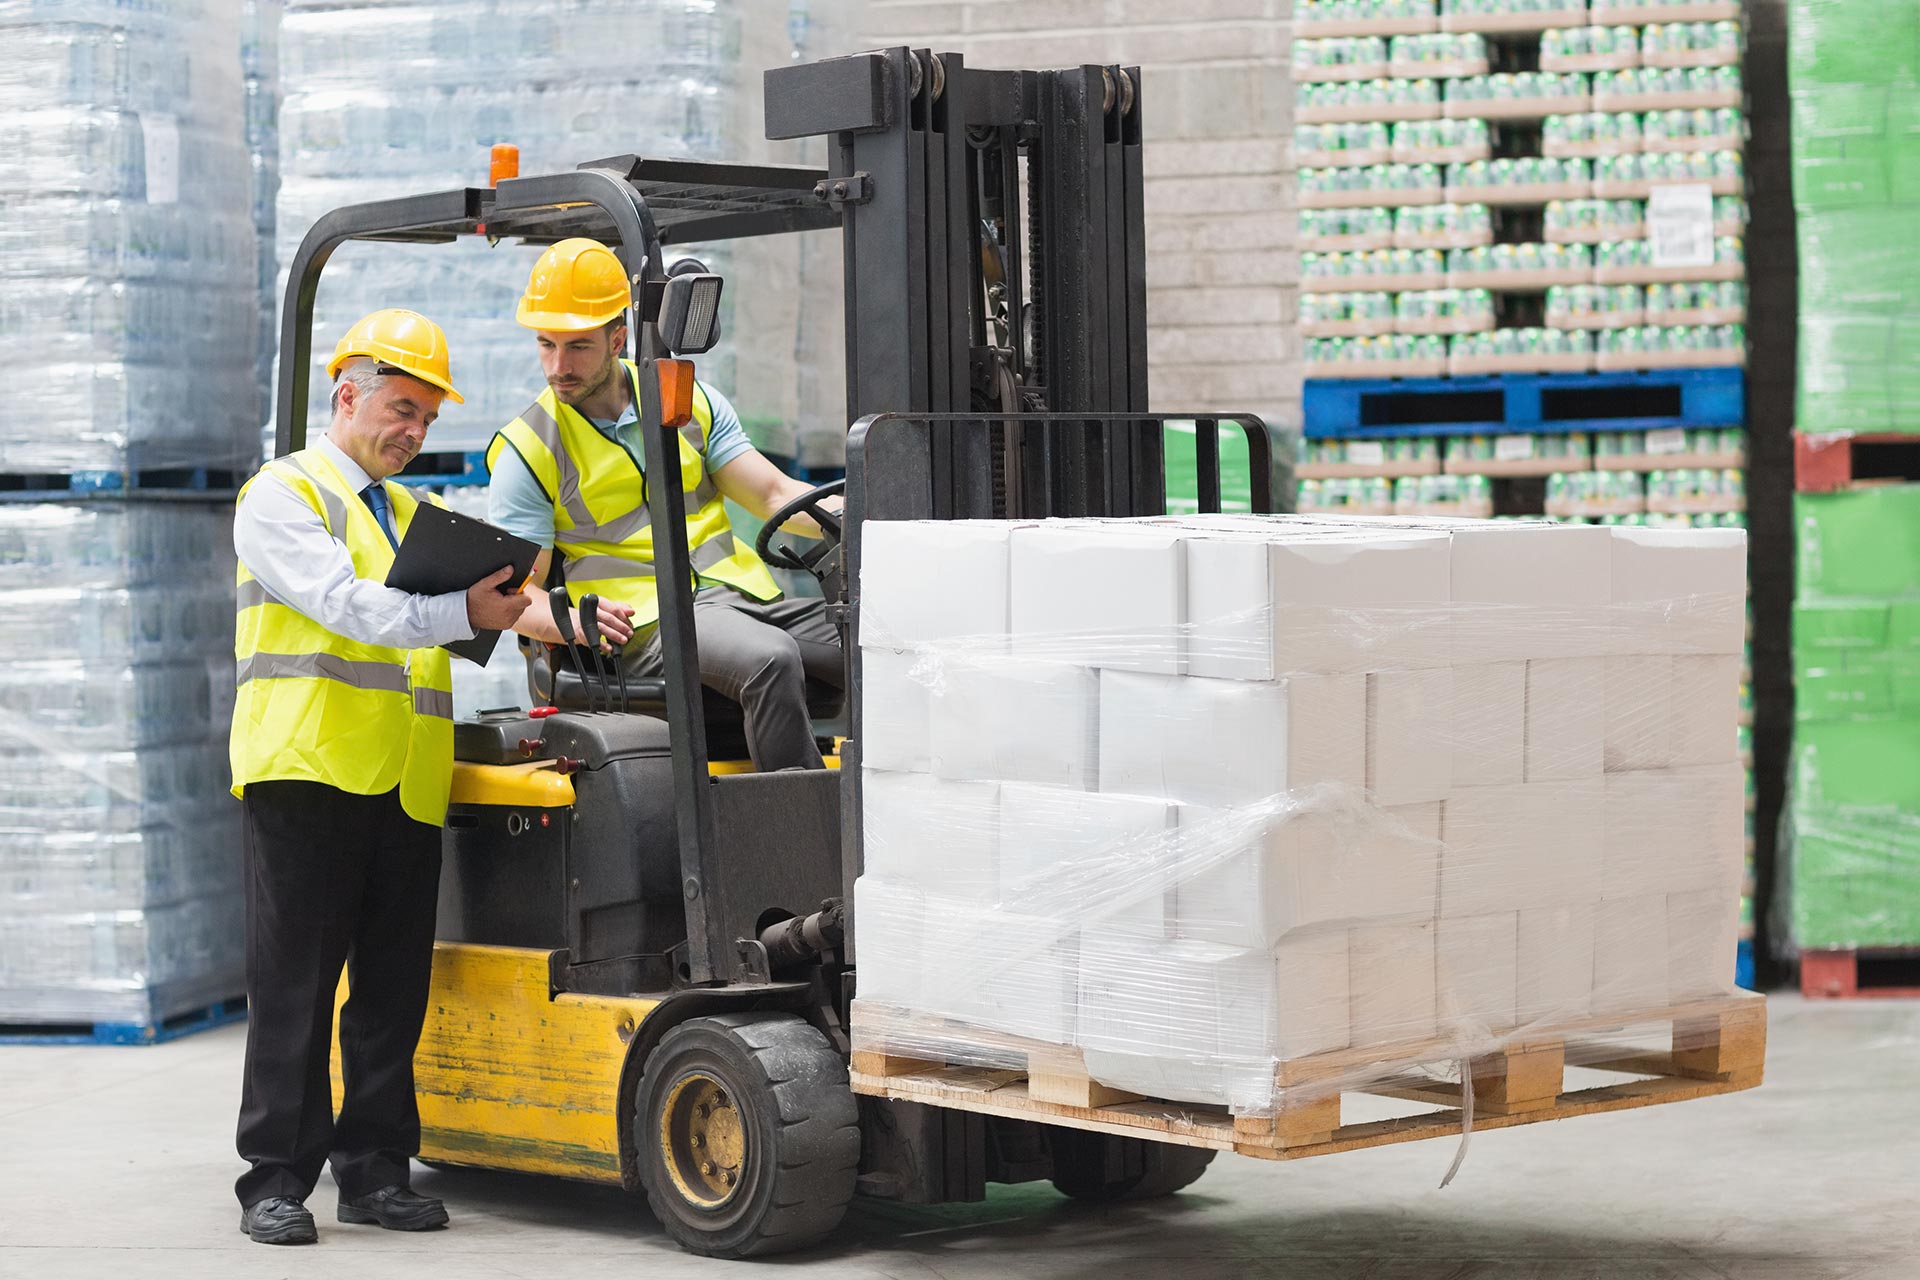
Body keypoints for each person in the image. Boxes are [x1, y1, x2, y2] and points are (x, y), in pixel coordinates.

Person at [228, 309, 530, 1245]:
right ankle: (275, 1179)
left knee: (394, 988)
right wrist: (459, 610)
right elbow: (344, 606)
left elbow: (471, 615)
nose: (415, 432)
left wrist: (553, 616)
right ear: (345, 395)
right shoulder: (283, 496)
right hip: (307, 772)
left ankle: (375, 1173)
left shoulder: (409, 515)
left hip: (402, 777)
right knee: (298, 987)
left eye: (428, 419)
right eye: (402, 409)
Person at [486, 237, 844, 771]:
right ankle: (800, 844)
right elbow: (515, 592)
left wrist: (866, 517)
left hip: (740, 598)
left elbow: (772, 494)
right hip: (646, 622)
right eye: (545, 345)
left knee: (877, 638)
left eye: (578, 346)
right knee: (768, 660)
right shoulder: (530, 447)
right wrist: (570, 625)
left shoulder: (690, 402)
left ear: (618, 338)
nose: (558, 366)